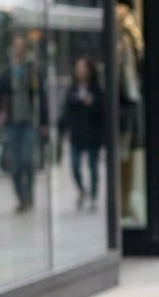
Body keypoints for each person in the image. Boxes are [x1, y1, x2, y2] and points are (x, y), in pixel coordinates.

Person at [0, 35, 47, 213]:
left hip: (29, 120)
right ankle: (21, 197)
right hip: (12, 121)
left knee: (27, 160)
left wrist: (43, 122)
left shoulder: (32, 70)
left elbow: (40, 96)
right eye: (15, 46)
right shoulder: (7, 72)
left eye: (21, 46)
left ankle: (28, 194)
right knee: (15, 163)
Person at [58, 56, 105, 211]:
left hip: (92, 133)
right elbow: (66, 111)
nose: (81, 71)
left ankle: (93, 195)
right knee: (75, 165)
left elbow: (102, 110)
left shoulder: (96, 90)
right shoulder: (72, 90)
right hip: (77, 134)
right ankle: (82, 190)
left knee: (93, 167)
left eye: (84, 68)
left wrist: (91, 104)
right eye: (79, 68)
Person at [116, 0, 143, 222]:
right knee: (122, 155)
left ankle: (125, 201)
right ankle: (121, 202)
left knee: (128, 155)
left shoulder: (130, 35)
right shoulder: (119, 36)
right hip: (121, 103)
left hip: (130, 101)